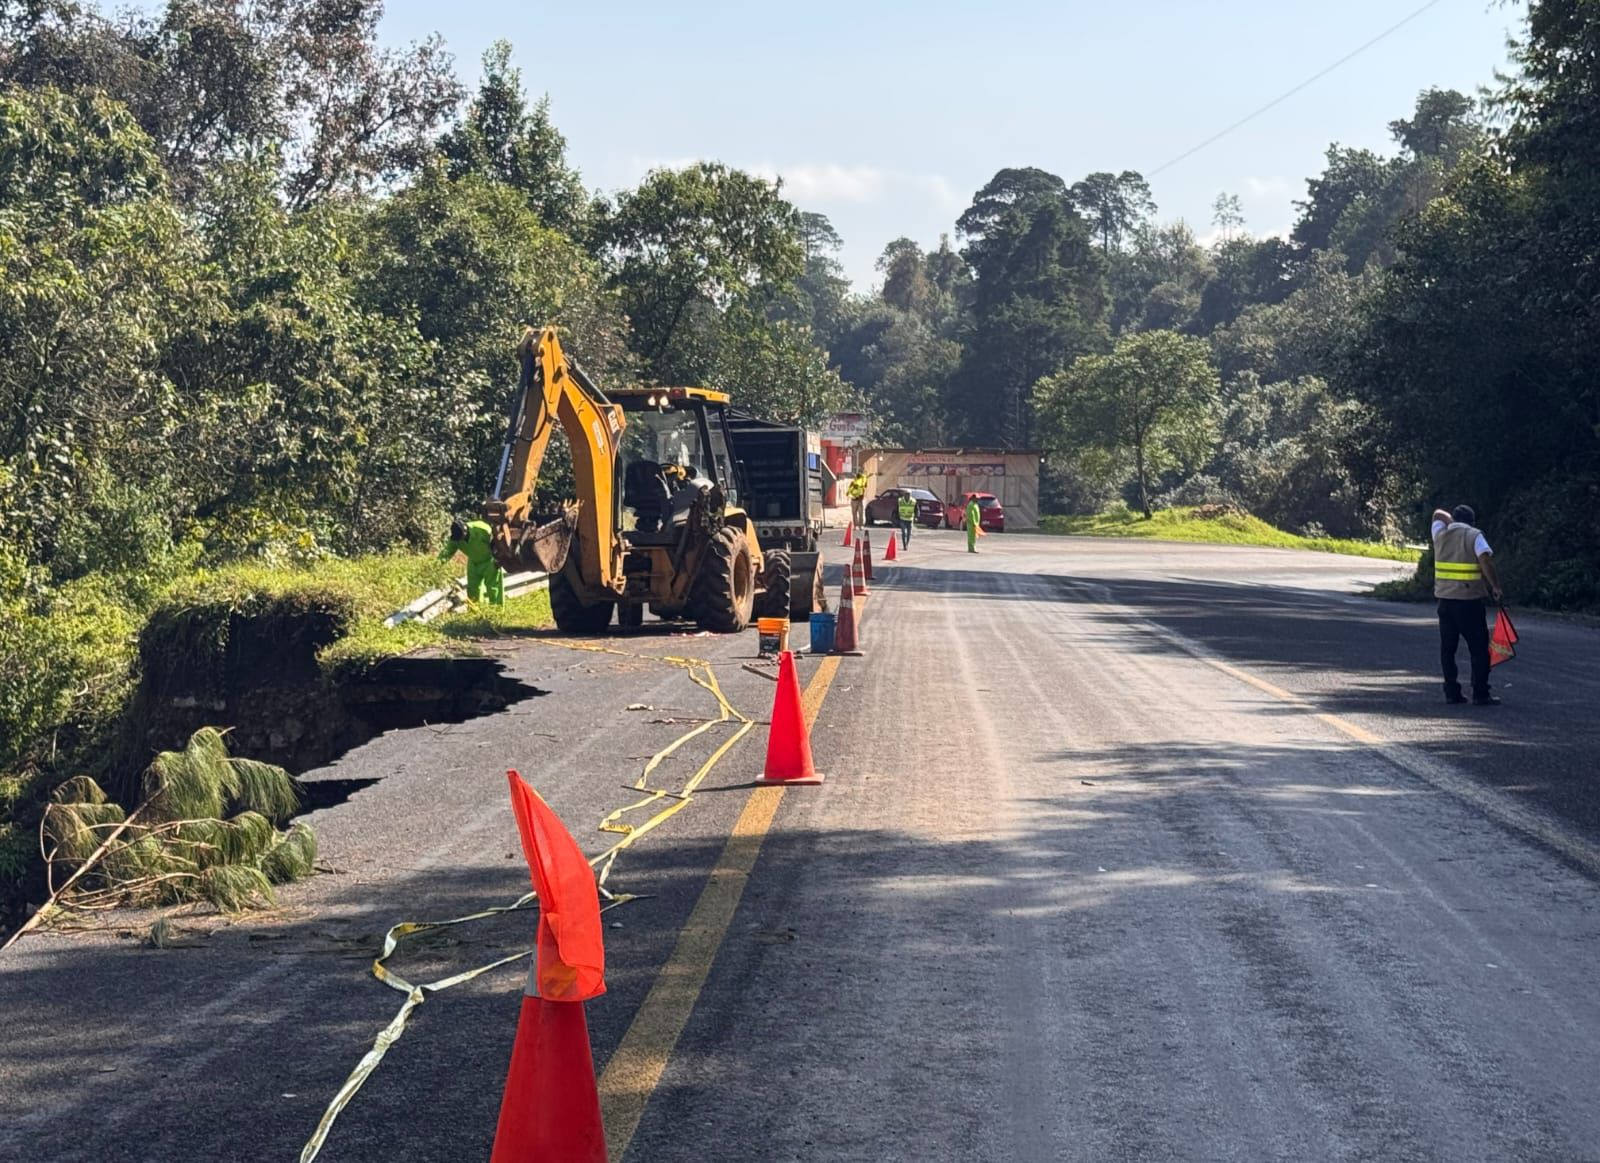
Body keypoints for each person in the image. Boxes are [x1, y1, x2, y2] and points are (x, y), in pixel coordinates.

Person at [1431, 504, 1503, 706]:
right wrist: (1495, 586)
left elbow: (1437, 513)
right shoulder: (1474, 535)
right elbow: (1485, 561)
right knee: (1478, 649)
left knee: (1448, 649)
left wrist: (1451, 523)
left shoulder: (1439, 533)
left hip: (1445, 601)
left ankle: (1451, 692)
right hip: (1469, 602)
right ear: (1472, 521)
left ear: (1454, 519)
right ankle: (1480, 693)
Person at [439, 517, 505, 606]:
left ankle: (497, 611)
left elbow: (497, 541)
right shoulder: (455, 539)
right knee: (473, 591)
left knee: (494, 590)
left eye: (462, 537)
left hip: (490, 562)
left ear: (465, 530)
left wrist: (499, 558)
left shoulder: (481, 528)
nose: (461, 540)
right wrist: (436, 566)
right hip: (473, 563)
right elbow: (446, 553)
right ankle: (477, 611)